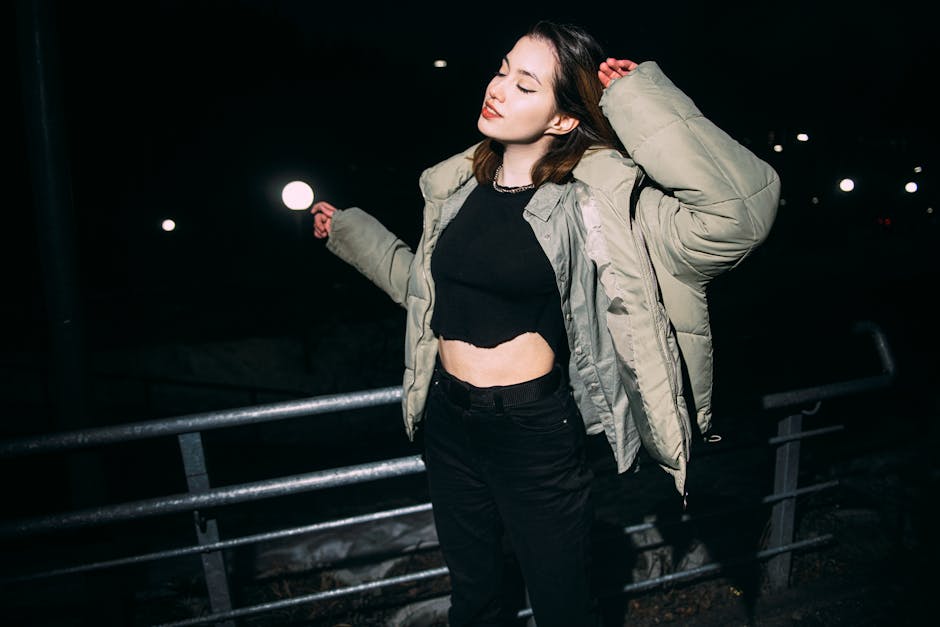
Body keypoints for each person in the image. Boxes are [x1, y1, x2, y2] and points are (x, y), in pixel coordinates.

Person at [310, 19, 779, 627]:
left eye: (526, 84)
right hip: (449, 421)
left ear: (562, 119)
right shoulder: (456, 190)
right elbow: (428, 299)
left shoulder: (597, 203)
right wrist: (353, 235)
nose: (498, 87)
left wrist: (641, 101)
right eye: (503, 69)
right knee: (473, 597)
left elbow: (737, 216)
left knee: (562, 605)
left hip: (531, 429)